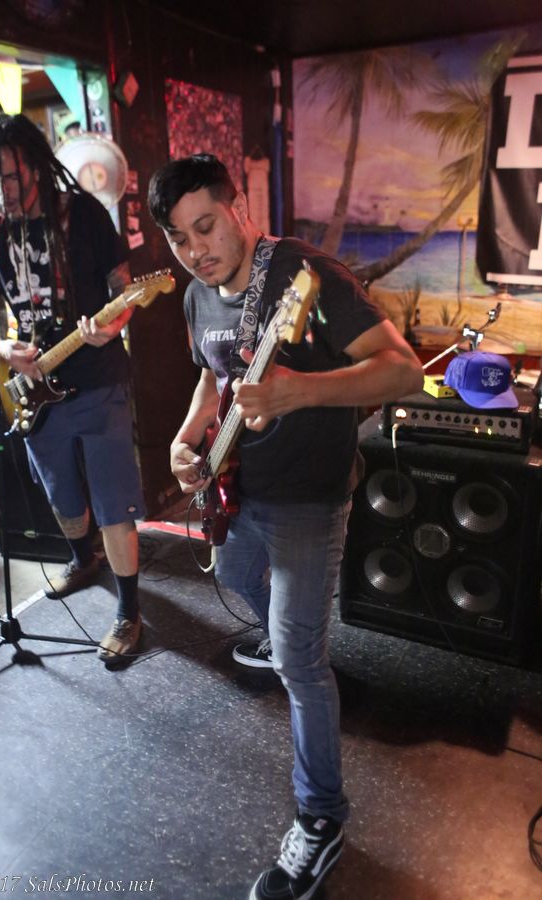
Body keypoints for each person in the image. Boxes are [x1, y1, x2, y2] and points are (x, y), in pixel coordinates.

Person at [147, 154, 423, 900]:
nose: (197, 250)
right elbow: (212, 374)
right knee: (237, 577)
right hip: (239, 491)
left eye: (207, 226)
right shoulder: (197, 295)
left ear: (240, 207)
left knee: (301, 664)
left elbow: (403, 370)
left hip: (307, 499)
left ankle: (321, 819)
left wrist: (300, 391)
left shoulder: (307, 278)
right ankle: (286, 629)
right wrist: (185, 438)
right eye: (178, 239)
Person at [0, 112, 145, 665]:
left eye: (10, 177)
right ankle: (82, 559)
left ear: (36, 166)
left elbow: (125, 293)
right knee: (61, 495)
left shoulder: (84, 215)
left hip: (97, 381)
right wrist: (7, 351)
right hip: (35, 388)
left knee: (113, 503)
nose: (2, 190)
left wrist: (110, 327)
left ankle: (129, 611)